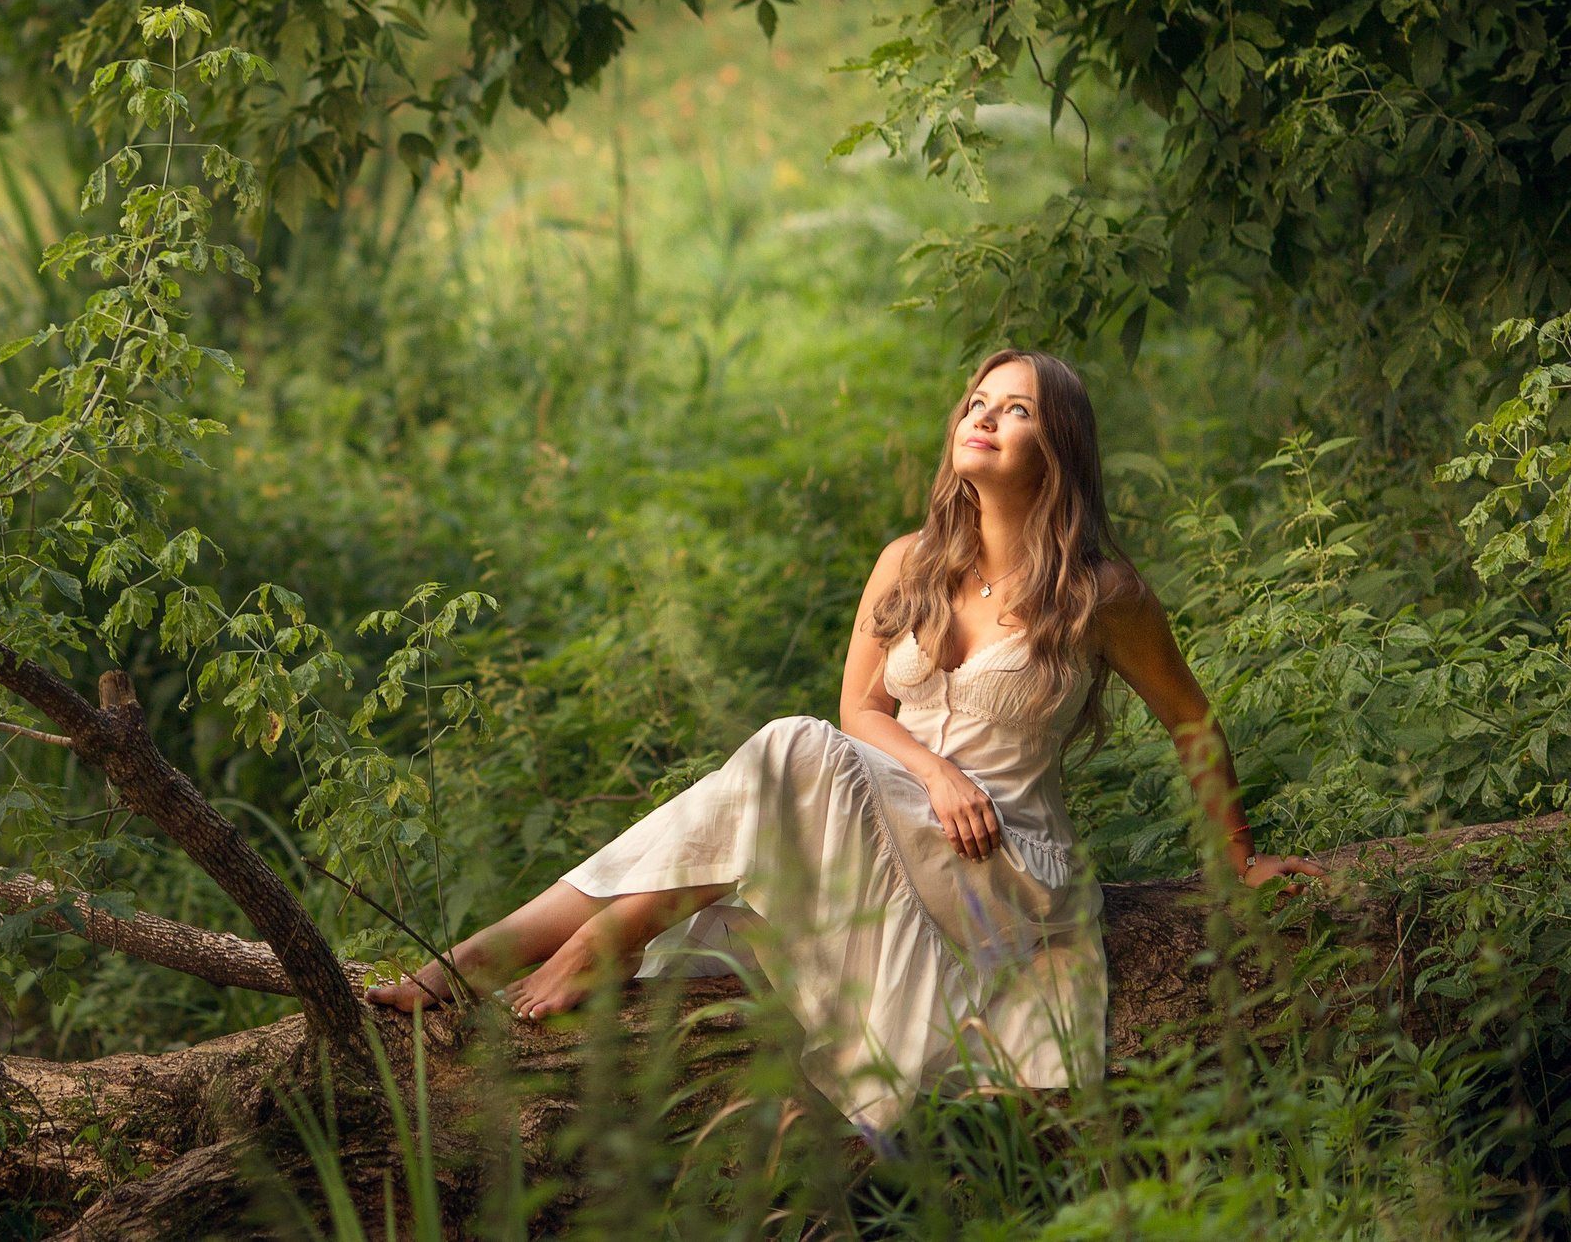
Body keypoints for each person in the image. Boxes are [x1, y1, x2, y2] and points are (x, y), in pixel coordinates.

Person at [364, 350, 1326, 1135]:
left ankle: (549, 945)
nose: (983, 418)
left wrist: (1236, 856)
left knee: (791, 747)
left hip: (1006, 867)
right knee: (797, 751)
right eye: (976, 402)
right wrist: (935, 769)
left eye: (1017, 409)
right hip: (901, 823)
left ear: (1059, 445)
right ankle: (475, 962)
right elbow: (862, 712)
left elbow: (1190, 720)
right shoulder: (908, 562)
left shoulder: (1101, 593)